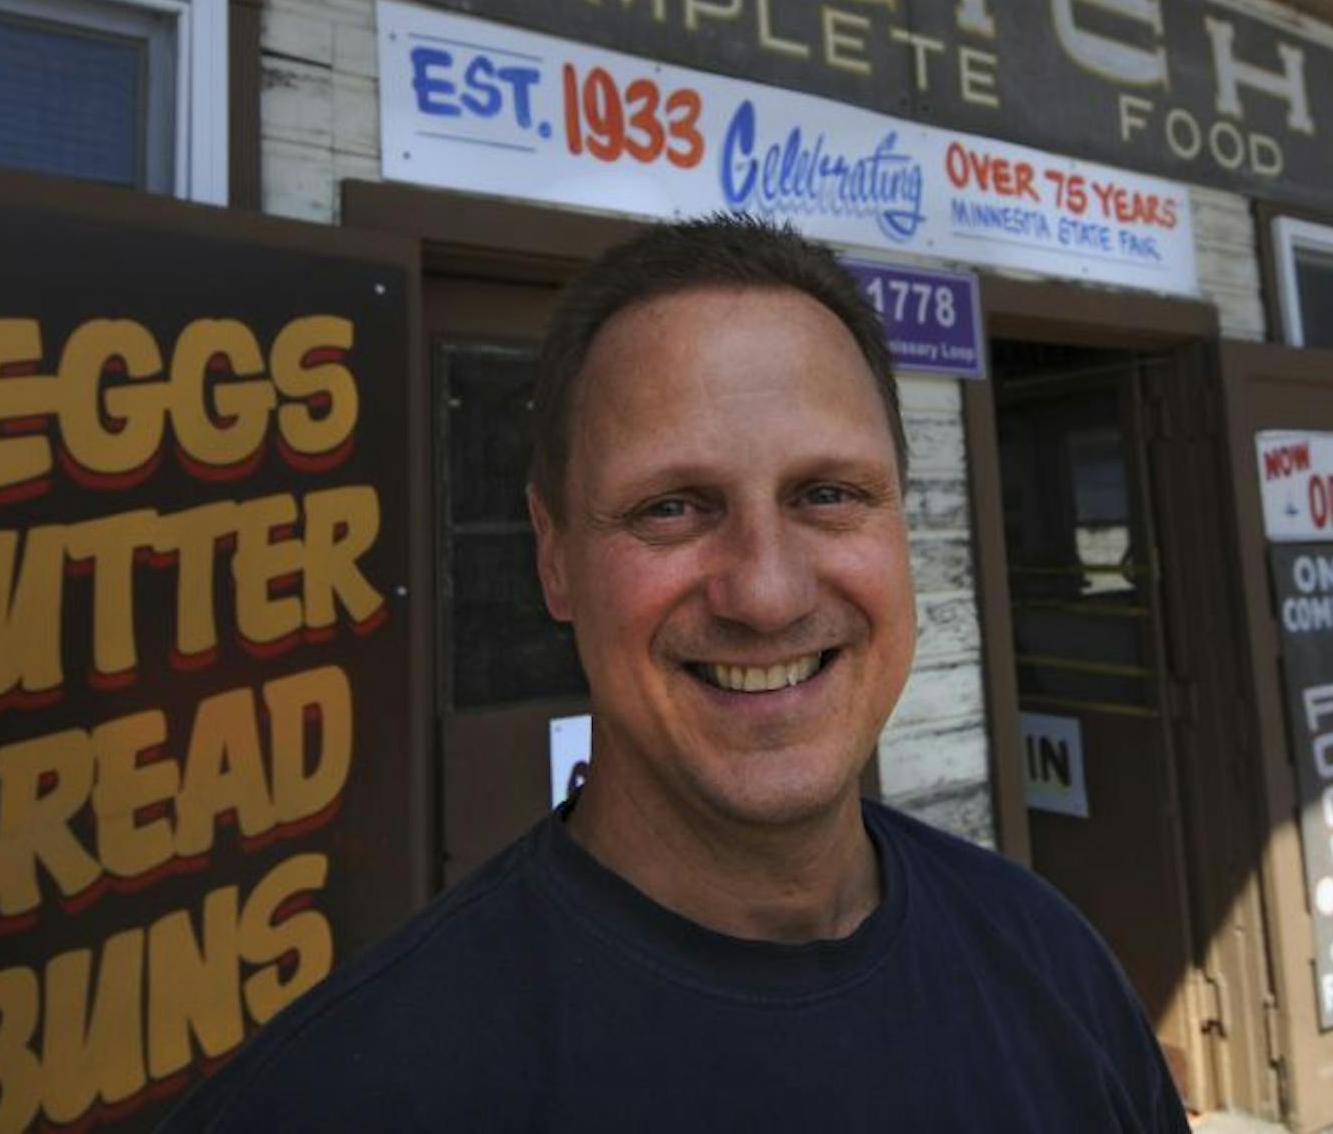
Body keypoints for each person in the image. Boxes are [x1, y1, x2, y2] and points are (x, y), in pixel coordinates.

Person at [163, 215, 1189, 1132]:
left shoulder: (1055, 962)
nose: (768, 592)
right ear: (553, 552)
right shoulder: (341, 1095)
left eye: (828, 491)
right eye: (671, 506)